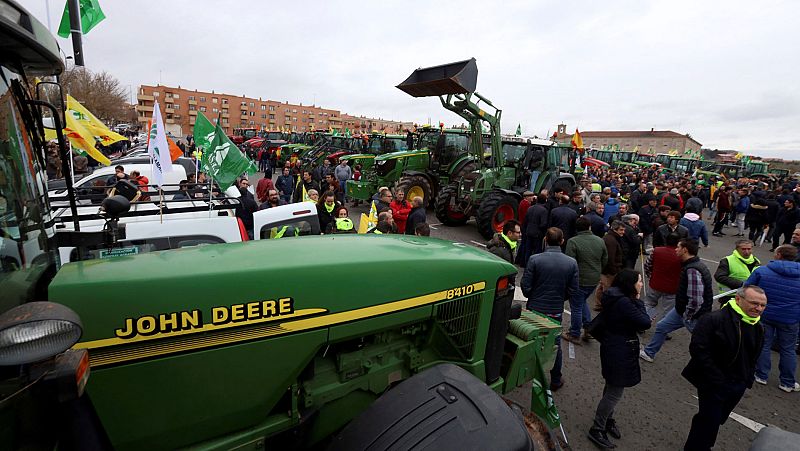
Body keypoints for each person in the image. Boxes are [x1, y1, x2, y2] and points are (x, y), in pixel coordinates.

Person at [682, 286, 766, 451]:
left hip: (738, 384)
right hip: (714, 382)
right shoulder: (714, 319)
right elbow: (698, 349)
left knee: (717, 419)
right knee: (708, 419)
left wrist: (747, 378)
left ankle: (704, 444)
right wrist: (718, 379)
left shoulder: (758, 325)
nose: (759, 308)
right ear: (738, 299)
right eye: (754, 303)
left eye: (763, 305)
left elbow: (753, 355)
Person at [587, 269, 652, 450]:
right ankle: (597, 428)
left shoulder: (615, 296)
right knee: (615, 392)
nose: (641, 284)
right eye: (639, 281)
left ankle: (607, 419)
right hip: (619, 348)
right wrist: (638, 300)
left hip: (613, 344)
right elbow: (645, 322)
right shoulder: (624, 302)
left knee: (611, 386)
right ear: (629, 284)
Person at [521, 227, 581, 391]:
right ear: (562, 241)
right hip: (554, 310)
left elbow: (525, 285)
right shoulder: (571, 263)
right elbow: (573, 289)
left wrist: (533, 295)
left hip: (534, 308)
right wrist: (560, 298)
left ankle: (524, 375)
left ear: (545, 240)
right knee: (555, 345)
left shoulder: (535, 259)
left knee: (530, 342)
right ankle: (555, 379)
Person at [640, 239, 713, 363]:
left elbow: (695, 299)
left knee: (703, 341)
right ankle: (649, 352)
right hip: (682, 309)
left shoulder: (692, 270)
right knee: (662, 326)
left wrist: (688, 316)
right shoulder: (692, 265)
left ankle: (713, 365)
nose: (676, 250)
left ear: (685, 250)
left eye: (678, 247)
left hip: (692, 314)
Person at [747, 245, 800, 392]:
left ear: (778, 255)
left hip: (765, 314)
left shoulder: (762, 271)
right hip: (791, 318)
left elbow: (747, 289)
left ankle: (761, 374)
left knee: (764, 344)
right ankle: (787, 382)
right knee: (788, 349)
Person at [565, 217, 608, 344]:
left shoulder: (573, 241)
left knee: (576, 307)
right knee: (582, 302)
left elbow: (569, 263)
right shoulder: (600, 241)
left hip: (579, 279)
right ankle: (589, 328)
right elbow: (604, 259)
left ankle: (574, 333)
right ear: (589, 227)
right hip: (594, 278)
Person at [643, 233, 682, 321]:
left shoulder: (656, 250)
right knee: (668, 310)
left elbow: (648, 264)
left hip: (655, 283)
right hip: (672, 287)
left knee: (649, 304)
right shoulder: (680, 256)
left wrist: (650, 276)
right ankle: (662, 329)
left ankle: (643, 323)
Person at [714, 239, 761, 304]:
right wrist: (741, 284)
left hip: (748, 296)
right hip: (730, 296)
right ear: (737, 249)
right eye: (743, 249)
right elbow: (719, 276)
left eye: (749, 249)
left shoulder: (756, 261)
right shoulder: (727, 260)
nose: (747, 251)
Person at [596, 221, 626, 311]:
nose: (623, 232)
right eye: (621, 230)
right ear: (614, 229)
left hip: (605, 269)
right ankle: (606, 306)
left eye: (624, 230)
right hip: (610, 270)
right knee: (608, 289)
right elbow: (610, 258)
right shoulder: (611, 240)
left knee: (602, 287)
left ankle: (599, 304)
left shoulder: (609, 238)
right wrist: (614, 271)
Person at [522, 194, 549, 260]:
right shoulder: (544, 210)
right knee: (537, 252)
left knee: (528, 251)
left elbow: (525, 221)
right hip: (538, 234)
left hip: (529, 232)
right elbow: (543, 224)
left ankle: (526, 266)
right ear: (545, 200)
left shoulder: (530, 208)